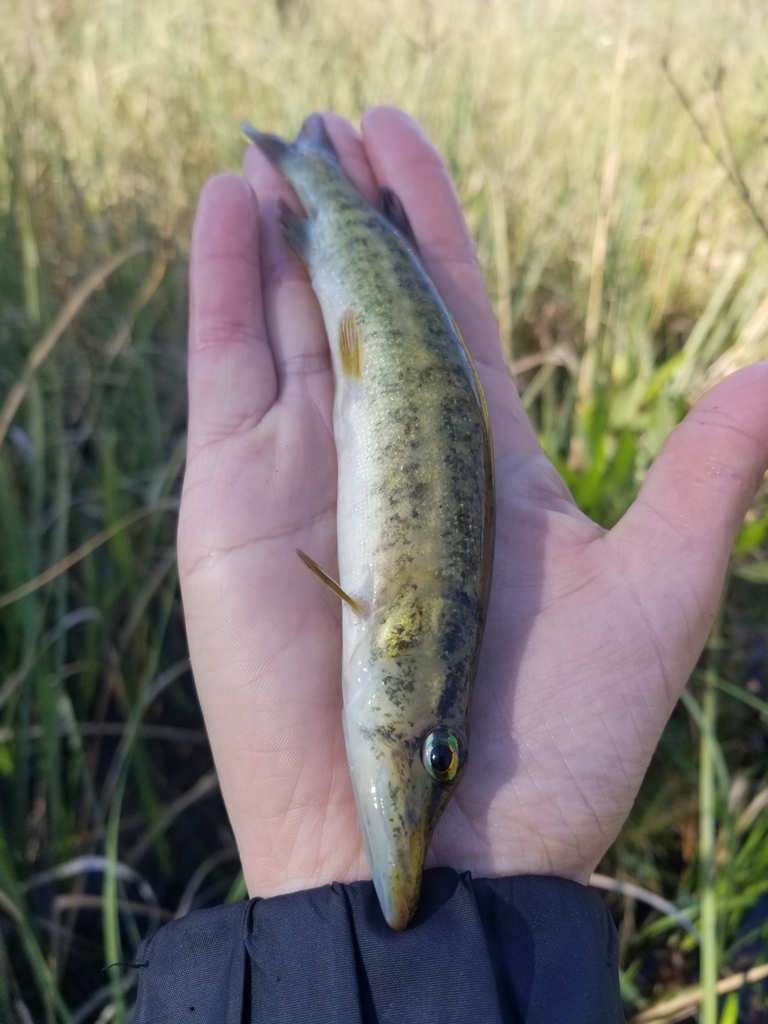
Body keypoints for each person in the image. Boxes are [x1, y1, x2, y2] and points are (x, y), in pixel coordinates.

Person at [133, 108, 768, 1022]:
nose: (423, 771)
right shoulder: (400, 643)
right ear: (405, 637)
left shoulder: (392, 681)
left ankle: (309, 169)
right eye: (440, 752)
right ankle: (312, 172)